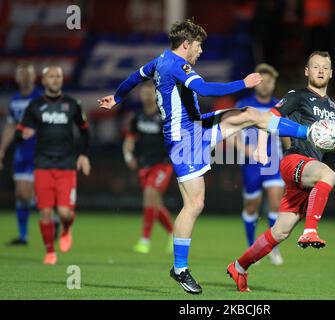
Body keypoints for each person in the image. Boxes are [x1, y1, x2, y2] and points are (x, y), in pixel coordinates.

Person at [98, 19, 320, 295]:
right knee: (194, 204)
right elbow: (205, 90)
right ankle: (179, 269)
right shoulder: (175, 65)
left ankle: (309, 131)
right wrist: (244, 82)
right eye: (199, 45)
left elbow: (134, 77)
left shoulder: (158, 61)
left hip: (197, 126)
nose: (200, 51)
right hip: (184, 141)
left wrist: (117, 98)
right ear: (186, 44)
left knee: (250, 114)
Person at [227, 51, 335, 292]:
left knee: (280, 231)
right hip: (294, 161)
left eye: (325, 67)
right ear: (306, 72)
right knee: (329, 175)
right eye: (315, 66)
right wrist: (259, 148)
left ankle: (239, 267)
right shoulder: (297, 96)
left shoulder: (334, 108)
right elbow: (267, 118)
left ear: (331, 73)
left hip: (309, 173)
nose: (320, 70)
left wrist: (334, 141)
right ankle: (310, 231)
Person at [16, 66, 91, 265]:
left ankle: (66, 228)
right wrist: (21, 134)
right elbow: (19, 130)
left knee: (65, 213)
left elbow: (84, 131)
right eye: (51, 76)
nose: (56, 79)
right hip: (43, 164)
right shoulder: (34, 105)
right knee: (46, 212)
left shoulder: (73, 104)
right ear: (43, 80)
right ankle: (50, 251)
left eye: (58, 76)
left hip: (67, 165)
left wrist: (83, 155)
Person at [234, 63, 288, 266]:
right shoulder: (244, 104)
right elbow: (232, 132)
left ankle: (272, 248)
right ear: (256, 83)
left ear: (274, 83)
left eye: (270, 81)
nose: (266, 85)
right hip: (251, 164)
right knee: (251, 207)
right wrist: (244, 149)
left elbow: (285, 134)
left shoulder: (281, 106)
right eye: (262, 81)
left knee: (276, 204)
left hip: (274, 162)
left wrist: (290, 155)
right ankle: (252, 247)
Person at [123, 82, 174, 254]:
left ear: (156, 94)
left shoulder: (164, 115)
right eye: (144, 93)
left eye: (149, 93)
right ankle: (174, 234)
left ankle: (145, 240)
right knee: (156, 204)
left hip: (162, 163)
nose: (147, 96)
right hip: (145, 164)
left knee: (150, 194)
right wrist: (128, 156)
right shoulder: (137, 117)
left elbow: (174, 139)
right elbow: (129, 140)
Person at [0, 64, 41, 245]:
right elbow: (10, 126)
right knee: (20, 194)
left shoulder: (40, 98)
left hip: (38, 150)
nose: (24, 76)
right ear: (16, 78)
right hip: (20, 151)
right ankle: (23, 236)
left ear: (34, 77)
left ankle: (52, 217)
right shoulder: (15, 100)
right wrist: (2, 149)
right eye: (21, 73)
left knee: (28, 192)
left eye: (28, 73)